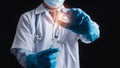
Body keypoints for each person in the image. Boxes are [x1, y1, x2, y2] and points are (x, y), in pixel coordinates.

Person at [10, 0, 100, 68]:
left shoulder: (76, 16)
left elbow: (94, 34)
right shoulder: (28, 18)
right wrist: (33, 60)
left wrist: (89, 30)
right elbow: (20, 51)